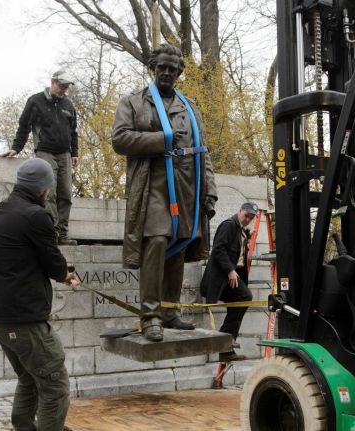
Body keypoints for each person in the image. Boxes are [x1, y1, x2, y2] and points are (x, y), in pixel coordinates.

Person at [112, 43, 217, 342]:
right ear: (152, 67)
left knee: (179, 245)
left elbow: (203, 150)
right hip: (152, 184)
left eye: (173, 69)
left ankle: (170, 311)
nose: (167, 73)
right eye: (162, 68)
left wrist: (209, 190)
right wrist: (163, 139)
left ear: (180, 72)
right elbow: (119, 139)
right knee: (157, 241)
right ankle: (150, 316)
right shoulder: (133, 101)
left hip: (186, 186)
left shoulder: (189, 106)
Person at [0, 158, 79, 431]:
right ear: (44, 188)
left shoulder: (3, 210)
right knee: (55, 384)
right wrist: (66, 275)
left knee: (29, 378)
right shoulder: (36, 215)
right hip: (24, 321)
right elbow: (53, 263)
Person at [1, 70, 79, 246]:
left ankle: (62, 234)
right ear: (53, 82)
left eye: (66, 87)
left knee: (66, 194)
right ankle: (50, 233)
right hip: (45, 151)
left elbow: (73, 131)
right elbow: (24, 126)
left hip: (65, 153)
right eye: (61, 86)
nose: (64, 90)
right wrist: (16, 148)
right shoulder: (35, 101)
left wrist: (74, 153)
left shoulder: (68, 104)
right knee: (49, 193)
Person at [201, 202, 258, 362]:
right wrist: (230, 270)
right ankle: (224, 338)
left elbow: (236, 251)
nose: (248, 219)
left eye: (251, 218)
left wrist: (247, 240)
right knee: (245, 297)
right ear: (240, 210)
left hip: (230, 279)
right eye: (246, 215)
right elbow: (218, 249)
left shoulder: (241, 230)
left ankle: (226, 350)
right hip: (223, 279)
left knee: (239, 303)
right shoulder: (229, 225)